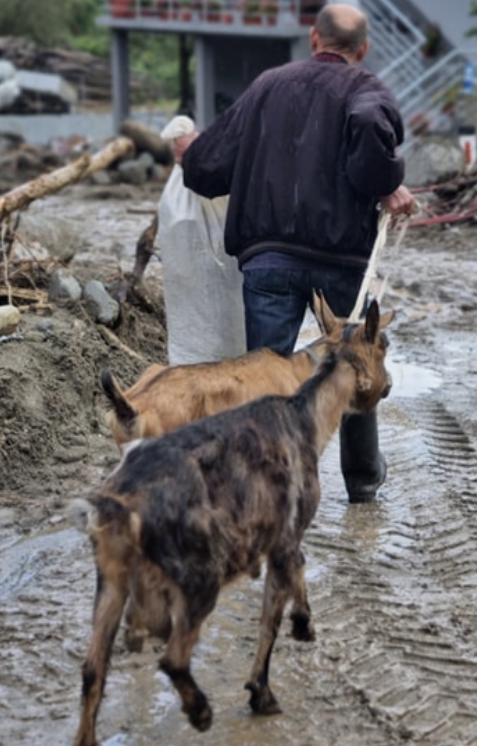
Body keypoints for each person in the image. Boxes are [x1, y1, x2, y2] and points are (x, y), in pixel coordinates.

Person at [174, 2, 417, 503]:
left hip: (269, 259)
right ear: (363, 49)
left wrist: (192, 153)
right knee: (354, 364)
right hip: (342, 258)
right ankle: (363, 480)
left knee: (267, 375)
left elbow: (206, 169)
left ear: (314, 39)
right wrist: (386, 182)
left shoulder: (268, 85)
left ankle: (263, 487)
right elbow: (372, 131)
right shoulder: (367, 89)